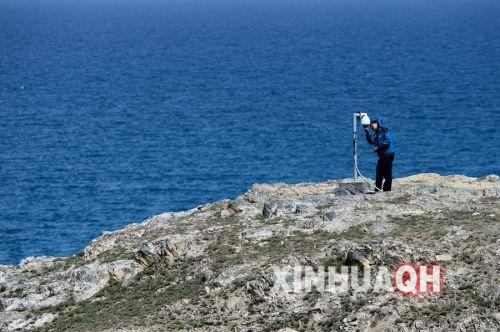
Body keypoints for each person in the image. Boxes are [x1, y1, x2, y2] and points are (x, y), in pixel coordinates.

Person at [364, 118, 395, 191]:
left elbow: (387, 142)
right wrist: (367, 133)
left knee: (387, 173)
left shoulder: (384, 130)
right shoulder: (376, 134)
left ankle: (387, 190)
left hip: (388, 155)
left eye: (373, 124)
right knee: (379, 172)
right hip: (382, 156)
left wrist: (378, 148)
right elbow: (371, 141)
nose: (372, 127)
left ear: (377, 124)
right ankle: (377, 189)